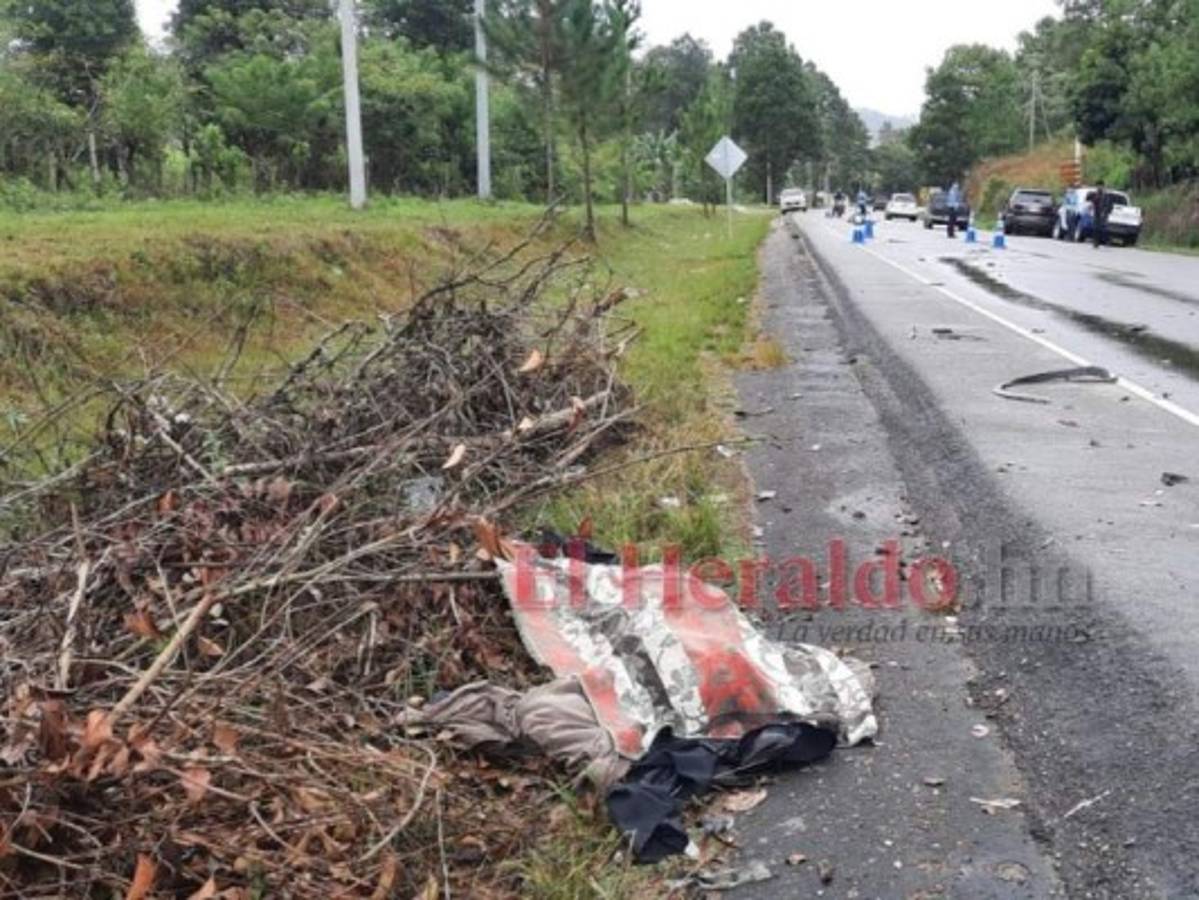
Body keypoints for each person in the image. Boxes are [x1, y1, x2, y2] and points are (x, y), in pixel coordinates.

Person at [1089, 180, 1109, 249]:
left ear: (1102, 186)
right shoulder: (1095, 193)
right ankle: (1095, 243)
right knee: (1095, 228)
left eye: (1100, 186)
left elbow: (1107, 204)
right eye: (1098, 186)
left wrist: (1104, 212)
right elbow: (1092, 201)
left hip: (1102, 213)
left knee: (1102, 229)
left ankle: (1103, 242)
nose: (1099, 187)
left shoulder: (1105, 195)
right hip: (1096, 213)